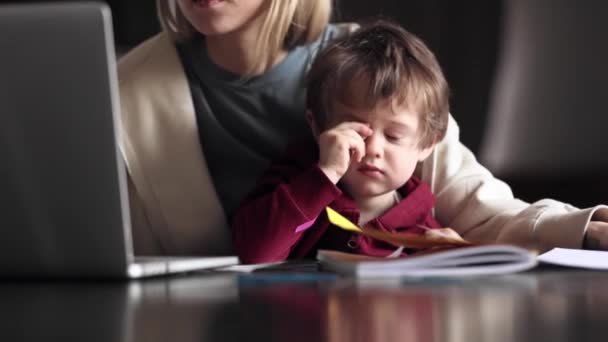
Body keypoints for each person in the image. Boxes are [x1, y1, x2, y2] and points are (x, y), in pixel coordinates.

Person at [117, 0, 608, 257]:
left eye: (391, 137)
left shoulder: (374, 66)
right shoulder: (125, 86)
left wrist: (580, 230)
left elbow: (482, 211)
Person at [232, 20, 453, 263]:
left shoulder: (424, 228)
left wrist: (451, 260)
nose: (373, 149)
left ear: (427, 145)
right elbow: (254, 255)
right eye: (356, 131)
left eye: (393, 137)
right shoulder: (293, 182)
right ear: (317, 127)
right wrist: (324, 176)